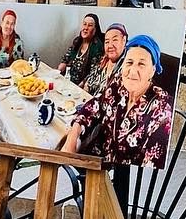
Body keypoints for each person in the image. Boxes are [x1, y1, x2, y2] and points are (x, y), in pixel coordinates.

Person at [62, 34, 173, 168]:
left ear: (152, 71)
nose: (132, 71)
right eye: (129, 62)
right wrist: (74, 134)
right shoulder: (118, 84)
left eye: (141, 64)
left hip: (122, 178)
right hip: (94, 162)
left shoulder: (162, 111)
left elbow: (149, 168)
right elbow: (96, 105)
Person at [82, 23, 127, 96]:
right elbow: (88, 83)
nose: (110, 45)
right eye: (107, 42)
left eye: (115, 40)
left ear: (124, 40)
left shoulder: (127, 67)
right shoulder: (103, 61)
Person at [60, 12, 105, 86]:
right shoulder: (77, 41)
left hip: (81, 86)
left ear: (95, 30)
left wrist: (79, 86)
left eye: (90, 25)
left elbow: (93, 73)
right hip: (68, 80)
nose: (86, 28)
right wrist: (58, 71)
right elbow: (66, 58)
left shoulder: (97, 47)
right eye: (84, 24)